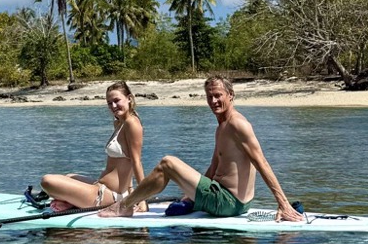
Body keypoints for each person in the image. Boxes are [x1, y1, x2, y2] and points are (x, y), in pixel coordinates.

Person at [98, 75, 304, 222]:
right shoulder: (222, 126)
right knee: (173, 180)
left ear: (230, 95)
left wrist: (283, 204)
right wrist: (190, 197)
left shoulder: (237, 124)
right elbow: (214, 168)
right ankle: (136, 201)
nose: (213, 101)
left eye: (218, 95)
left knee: (167, 163)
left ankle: (124, 206)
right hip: (225, 199)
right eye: (209, 96)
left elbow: (262, 163)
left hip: (228, 202)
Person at [40, 81, 146, 212]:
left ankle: (70, 202)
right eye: (109, 103)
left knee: (47, 181)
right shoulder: (119, 122)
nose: (113, 106)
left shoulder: (132, 124)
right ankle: (70, 202)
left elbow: (136, 162)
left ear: (129, 99)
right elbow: (126, 162)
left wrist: (142, 199)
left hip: (108, 195)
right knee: (68, 176)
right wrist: (130, 189)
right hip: (101, 186)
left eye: (117, 100)